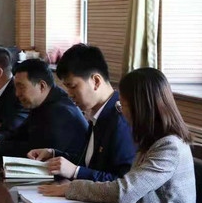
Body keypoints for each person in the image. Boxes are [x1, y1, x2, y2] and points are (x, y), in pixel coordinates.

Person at [40, 68, 202, 203]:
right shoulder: (150, 141)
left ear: (140, 107)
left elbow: (125, 192)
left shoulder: (169, 146)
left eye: (122, 105)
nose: (121, 112)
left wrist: (71, 188)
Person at [27, 44, 135, 182]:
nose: (70, 94)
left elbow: (123, 182)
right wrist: (53, 154)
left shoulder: (122, 118)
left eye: (73, 86)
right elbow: (89, 163)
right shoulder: (98, 113)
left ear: (96, 81)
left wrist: (76, 172)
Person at [0, 59, 88, 159]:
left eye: (21, 87)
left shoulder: (60, 111)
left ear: (42, 86)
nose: (17, 94)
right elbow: (20, 134)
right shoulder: (42, 102)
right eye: (16, 87)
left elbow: (37, 151)